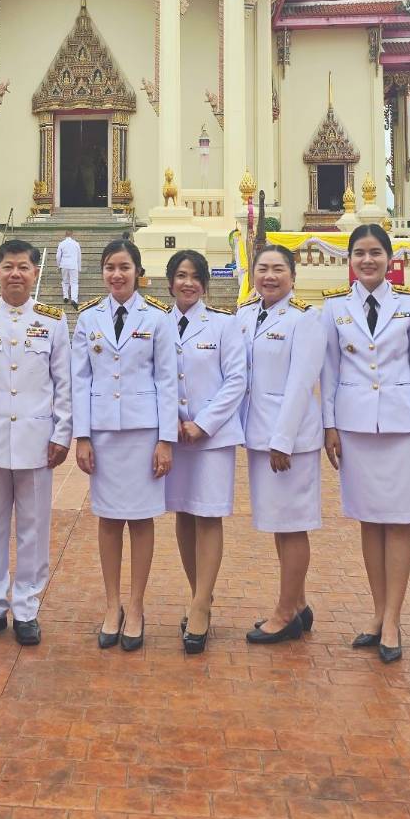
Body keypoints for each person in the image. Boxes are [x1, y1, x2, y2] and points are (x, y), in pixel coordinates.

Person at [321, 224, 410, 663]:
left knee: (399, 520)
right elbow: (329, 372)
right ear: (349, 260)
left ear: (390, 260)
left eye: (375, 253)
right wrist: (329, 426)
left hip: (402, 426)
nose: (367, 260)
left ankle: (394, 617)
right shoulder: (333, 308)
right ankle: (376, 612)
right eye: (359, 253)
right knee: (369, 520)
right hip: (354, 427)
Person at [0, 240, 71, 646]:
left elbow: (64, 385)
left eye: (23, 267)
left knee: (33, 528)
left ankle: (26, 608)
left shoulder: (54, 322)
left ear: (36, 272)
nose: (16, 274)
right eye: (8, 267)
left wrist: (62, 433)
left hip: (37, 440)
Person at [72, 239, 177, 652]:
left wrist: (165, 440)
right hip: (103, 434)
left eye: (124, 267)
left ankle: (136, 606)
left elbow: (167, 381)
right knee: (109, 518)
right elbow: (81, 380)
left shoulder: (157, 318)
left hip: (143, 433)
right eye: (110, 267)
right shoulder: (88, 319)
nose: (117, 274)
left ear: (138, 272)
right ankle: (112, 604)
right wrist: (82, 436)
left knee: (142, 519)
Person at [238, 245, 325, 646]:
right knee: (279, 523)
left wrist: (283, 440)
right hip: (259, 435)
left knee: (292, 526)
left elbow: (300, 384)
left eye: (277, 270)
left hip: (288, 441)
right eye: (262, 269)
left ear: (293, 276)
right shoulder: (245, 315)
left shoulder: (305, 319)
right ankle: (300, 602)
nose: (269, 276)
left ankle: (285, 612)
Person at [164, 250, 246, 654]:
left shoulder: (224, 325)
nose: (188, 283)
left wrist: (202, 423)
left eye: (195, 277)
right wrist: (172, 424)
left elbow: (236, 381)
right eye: (181, 276)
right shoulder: (158, 324)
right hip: (175, 437)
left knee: (208, 514)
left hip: (212, 436)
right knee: (183, 512)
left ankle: (199, 606)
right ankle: (201, 596)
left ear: (205, 283)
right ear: (169, 282)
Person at [56, 231, 81, 309]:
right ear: (72, 235)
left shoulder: (61, 243)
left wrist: (58, 265)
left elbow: (58, 256)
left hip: (64, 264)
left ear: (65, 235)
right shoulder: (76, 244)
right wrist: (79, 267)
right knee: (74, 283)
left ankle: (65, 297)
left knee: (65, 281)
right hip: (73, 265)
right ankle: (74, 299)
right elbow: (79, 256)